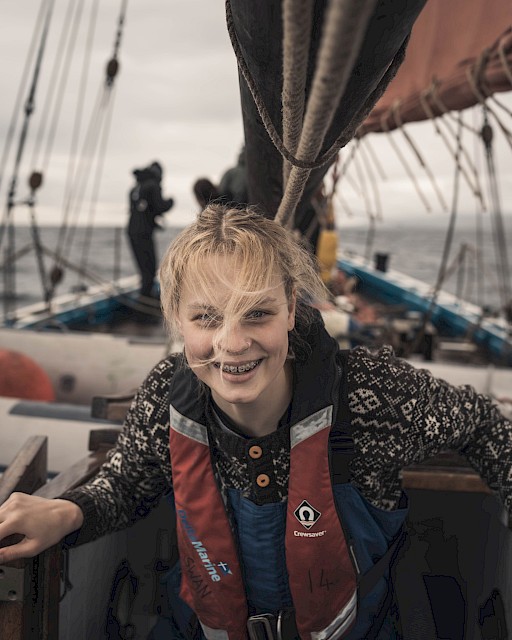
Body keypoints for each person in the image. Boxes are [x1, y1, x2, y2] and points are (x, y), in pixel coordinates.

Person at [0, 204, 511, 639]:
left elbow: (484, 424)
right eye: (206, 318)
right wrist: (68, 512)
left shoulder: (370, 395)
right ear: (177, 317)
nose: (233, 343)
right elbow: (129, 483)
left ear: (291, 308)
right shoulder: (166, 397)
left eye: (257, 314)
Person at [127, 161, 174, 298]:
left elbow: (143, 211)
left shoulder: (136, 187)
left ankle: (145, 297)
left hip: (132, 231)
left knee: (144, 270)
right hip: (143, 233)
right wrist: (171, 201)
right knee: (149, 270)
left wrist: (152, 222)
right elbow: (160, 206)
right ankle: (144, 307)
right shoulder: (153, 186)